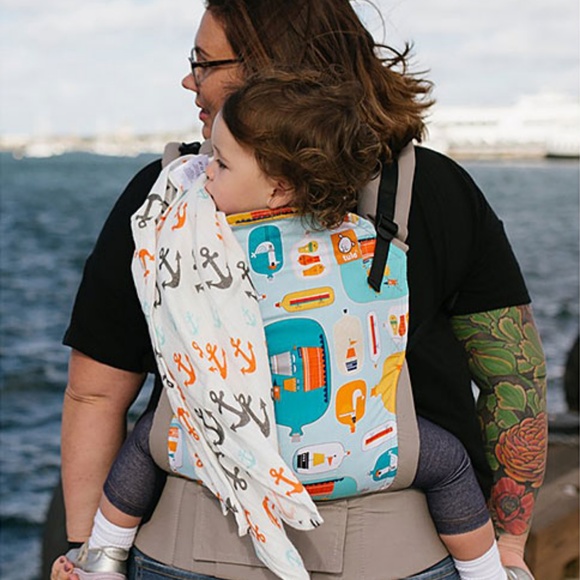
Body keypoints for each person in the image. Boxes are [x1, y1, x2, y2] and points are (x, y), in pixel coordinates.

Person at [51, 1, 547, 578]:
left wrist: (88, 550)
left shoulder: (169, 198)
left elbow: (96, 395)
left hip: (189, 547)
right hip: (398, 552)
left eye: (204, 62)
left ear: (273, 65)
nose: (190, 80)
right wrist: (507, 546)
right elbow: (515, 377)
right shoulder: (437, 188)